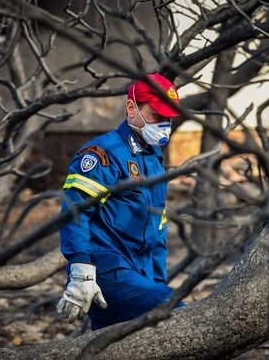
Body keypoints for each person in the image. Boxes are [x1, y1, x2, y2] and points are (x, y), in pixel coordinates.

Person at [56, 73, 184, 330]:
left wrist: (156, 281)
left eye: (168, 118)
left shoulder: (154, 158)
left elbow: (158, 227)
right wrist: (81, 270)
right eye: (157, 115)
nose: (164, 124)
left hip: (140, 274)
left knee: (114, 346)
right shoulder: (103, 153)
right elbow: (74, 211)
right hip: (105, 271)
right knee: (177, 313)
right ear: (131, 108)